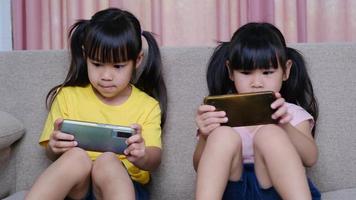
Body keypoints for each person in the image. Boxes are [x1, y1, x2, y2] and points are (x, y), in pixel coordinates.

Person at [26, 8, 167, 200]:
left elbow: (155, 159)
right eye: (97, 64)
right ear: (86, 57)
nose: (106, 76)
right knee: (76, 157)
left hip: (125, 187)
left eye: (118, 66)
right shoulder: (67, 96)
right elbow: (52, 154)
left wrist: (142, 155)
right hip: (78, 190)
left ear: (137, 60)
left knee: (108, 160)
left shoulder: (147, 105)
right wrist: (54, 146)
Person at [193, 22, 321, 200]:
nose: (257, 83)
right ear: (230, 71)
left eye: (267, 72)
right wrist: (206, 136)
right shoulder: (219, 114)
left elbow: (310, 158)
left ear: (286, 70)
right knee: (223, 135)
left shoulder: (291, 112)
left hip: (276, 192)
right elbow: (199, 167)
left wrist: (285, 126)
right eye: (246, 73)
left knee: (270, 134)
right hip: (233, 192)